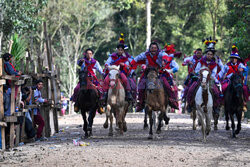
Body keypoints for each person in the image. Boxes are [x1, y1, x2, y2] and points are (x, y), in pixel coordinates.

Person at [130, 42, 173, 112]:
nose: (153, 49)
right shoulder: (145, 54)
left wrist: (164, 61)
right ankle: (140, 103)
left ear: (157, 49)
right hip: (148, 72)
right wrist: (131, 64)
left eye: (155, 48)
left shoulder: (161, 53)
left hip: (159, 72)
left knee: (167, 85)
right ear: (149, 48)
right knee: (141, 85)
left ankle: (172, 100)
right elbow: (137, 58)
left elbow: (165, 56)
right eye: (152, 48)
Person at [186, 38, 220, 113]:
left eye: (211, 54)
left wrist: (210, 77)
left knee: (216, 92)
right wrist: (200, 74)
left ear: (212, 55)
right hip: (200, 79)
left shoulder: (214, 64)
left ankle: (216, 107)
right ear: (206, 54)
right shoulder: (201, 61)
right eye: (208, 54)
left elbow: (214, 73)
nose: (209, 55)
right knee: (191, 89)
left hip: (210, 80)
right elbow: (197, 70)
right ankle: (190, 105)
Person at [101, 34, 134, 103]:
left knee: (125, 79)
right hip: (113, 71)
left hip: (121, 72)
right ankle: (104, 94)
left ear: (123, 51)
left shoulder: (126, 57)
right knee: (106, 80)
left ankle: (128, 93)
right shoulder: (112, 56)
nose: (120, 51)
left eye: (121, 50)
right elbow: (107, 62)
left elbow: (129, 65)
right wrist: (107, 65)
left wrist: (124, 64)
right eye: (118, 50)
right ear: (117, 50)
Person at [218, 44, 248, 111]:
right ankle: (222, 101)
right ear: (231, 58)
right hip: (229, 80)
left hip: (238, 81)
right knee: (223, 87)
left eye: (235, 58)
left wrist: (243, 69)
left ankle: (244, 102)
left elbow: (246, 69)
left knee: (245, 88)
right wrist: (217, 78)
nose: (234, 59)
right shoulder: (227, 65)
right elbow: (221, 73)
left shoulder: (240, 64)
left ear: (237, 59)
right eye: (232, 58)